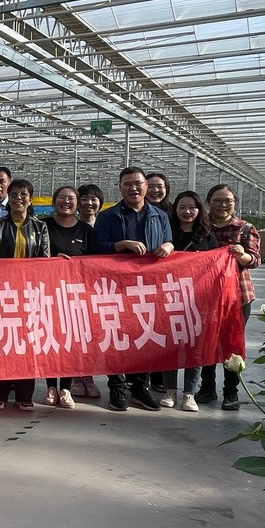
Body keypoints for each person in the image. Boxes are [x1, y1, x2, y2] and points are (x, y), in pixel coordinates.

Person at [94, 167, 173, 412]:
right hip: (115, 286)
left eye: (138, 183)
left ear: (146, 186)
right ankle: (118, 386)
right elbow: (97, 247)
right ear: (120, 187)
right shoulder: (108, 217)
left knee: (144, 333)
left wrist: (169, 246)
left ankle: (140, 386)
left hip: (147, 287)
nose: (133, 188)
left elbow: (168, 240)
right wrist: (121, 244)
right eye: (127, 184)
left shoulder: (160, 216)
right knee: (116, 334)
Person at [0, 178, 50, 411]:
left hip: (30, 294)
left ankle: (25, 394)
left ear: (31, 199)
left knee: (27, 343)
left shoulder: (40, 228)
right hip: (3, 293)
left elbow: (44, 261)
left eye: (23, 194)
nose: (18, 199)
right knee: (3, 342)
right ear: (8, 198)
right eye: (13, 194)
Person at [200, 184, 262, 410]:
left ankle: (231, 391)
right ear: (209, 202)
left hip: (238, 295)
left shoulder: (245, 229)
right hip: (205, 295)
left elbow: (255, 259)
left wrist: (242, 255)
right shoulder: (201, 226)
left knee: (232, 342)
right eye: (217, 200)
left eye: (228, 201)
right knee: (206, 340)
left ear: (235, 203)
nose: (223, 205)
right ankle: (207, 387)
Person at [159, 191, 218, 412]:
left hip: (198, 300)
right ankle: (170, 391)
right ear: (175, 210)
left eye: (192, 207)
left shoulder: (207, 236)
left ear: (199, 210)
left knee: (195, 348)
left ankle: (189, 394)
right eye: (182, 207)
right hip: (170, 297)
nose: (187, 211)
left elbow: (215, 266)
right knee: (170, 347)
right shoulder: (168, 234)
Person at [43, 185, 97, 409]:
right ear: (54, 201)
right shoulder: (43, 226)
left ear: (77, 203)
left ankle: (65, 387)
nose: (66, 202)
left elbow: (95, 263)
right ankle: (50, 387)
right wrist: (52, 261)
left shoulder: (86, 231)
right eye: (62, 198)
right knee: (49, 339)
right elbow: (35, 255)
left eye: (71, 198)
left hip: (75, 296)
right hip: (47, 292)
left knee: (69, 342)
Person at [71, 183, 105, 398]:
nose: (88, 203)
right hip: (72, 289)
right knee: (76, 333)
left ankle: (89, 376)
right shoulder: (72, 226)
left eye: (94, 199)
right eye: (84, 199)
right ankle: (77, 376)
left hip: (98, 289)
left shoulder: (105, 225)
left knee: (94, 334)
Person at [145, 174, 174, 392]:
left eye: (160, 186)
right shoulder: (139, 213)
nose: (156, 190)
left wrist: (170, 245)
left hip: (167, 281)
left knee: (164, 328)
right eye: (151, 186)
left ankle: (161, 377)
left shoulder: (173, 213)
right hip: (143, 281)